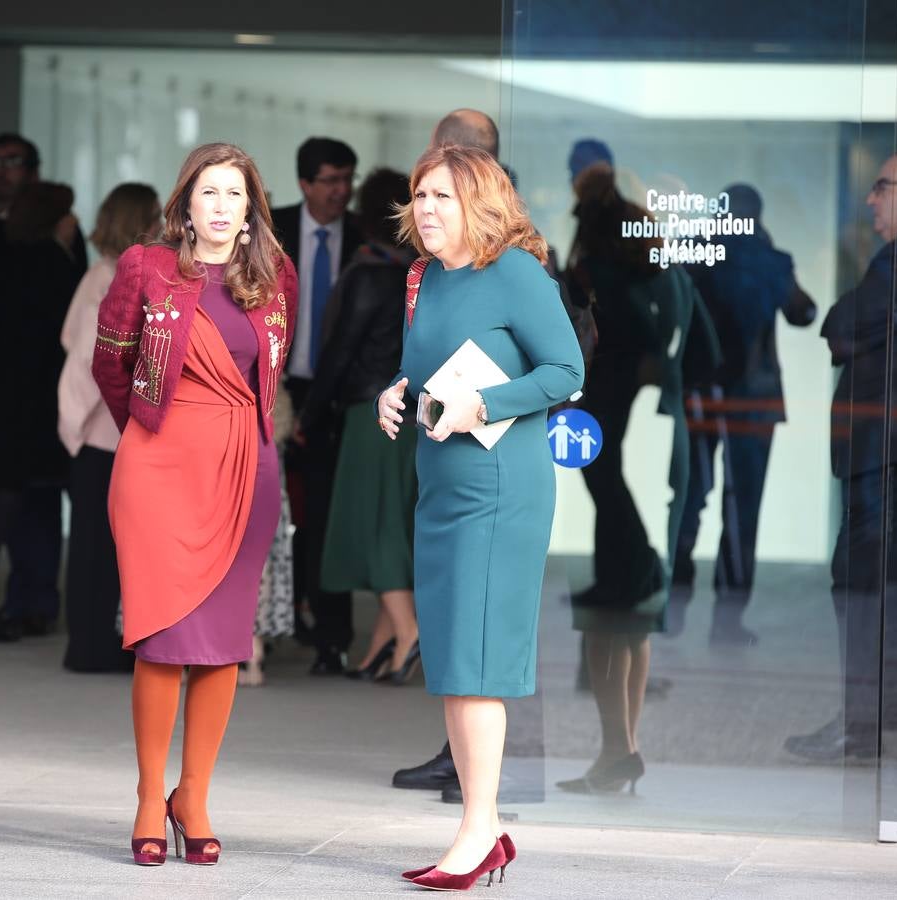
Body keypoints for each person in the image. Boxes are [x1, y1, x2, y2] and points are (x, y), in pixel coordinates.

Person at [375, 144, 583, 889]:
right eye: (420, 195)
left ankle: (478, 828)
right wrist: (393, 392)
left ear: (479, 204)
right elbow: (424, 361)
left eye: (443, 197)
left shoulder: (516, 273)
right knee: (457, 661)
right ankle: (480, 828)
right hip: (441, 481)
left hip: (499, 487)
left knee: (479, 665)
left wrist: (484, 405)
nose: (427, 209)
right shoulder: (423, 277)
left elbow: (566, 371)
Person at [93, 142, 298, 867]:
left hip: (247, 465)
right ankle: (152, 797)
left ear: (250, 211)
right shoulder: (144, 267)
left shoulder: (276, 277)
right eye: (206, 193)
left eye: (233, 196)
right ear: (184, 204)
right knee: (161, 635)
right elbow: (110, 363)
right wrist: (152, 436)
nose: (218, 207)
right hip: (156, 464)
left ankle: (195, 796)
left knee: (221, 645)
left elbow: (264, 375)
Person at [558, 141, 704, 797]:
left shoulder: (607, 273)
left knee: (609, 622)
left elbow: (615, 335)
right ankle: (621, 751)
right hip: (650, 420)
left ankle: (617, 753)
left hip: (611, 407)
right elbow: (694, 344)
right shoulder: (662, 272)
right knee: (627, 624)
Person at [785, 147, 897, 763]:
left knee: (864, 588)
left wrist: (858, 321)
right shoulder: (895, 262)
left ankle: (862, 725)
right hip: (887, 455)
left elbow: (838, 325)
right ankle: (885, 722)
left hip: (888, 457)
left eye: (883, 186)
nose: (871, 198)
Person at [673, 184, 817, 644]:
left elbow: (671, 308)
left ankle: (673, 601)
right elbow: (803, 312)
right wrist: (768, 252)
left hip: (702, 390)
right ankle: (727, 621)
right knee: (743, 505)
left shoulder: (697, 253)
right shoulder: (769, 260)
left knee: (689, 495)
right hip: (753, 398)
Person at [0, 134, 87, 642]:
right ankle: (4, 605)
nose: (2, 172)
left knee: (38, 499)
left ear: (32, 171)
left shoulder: (57, 229)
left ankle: (35, 603)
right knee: (6, 501)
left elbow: (75, 302)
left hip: (45, 388)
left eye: (14, 163)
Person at [302, 168, 421, 685]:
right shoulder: (420, 272)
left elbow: (340, 353)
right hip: (413, 412)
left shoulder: (369, 271)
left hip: (370, 413)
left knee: (376, 528)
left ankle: (408, 630)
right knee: (390, 519)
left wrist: (307, 414)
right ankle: (381, 643)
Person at [57, 182, 159, 673]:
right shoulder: (116, 277)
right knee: (106, 547)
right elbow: (87, 360)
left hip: (101, 435)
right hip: (107, 434)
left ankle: (92, 644)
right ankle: (97, 646)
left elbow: (71, 342)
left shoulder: (103, 274)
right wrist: (72, 429)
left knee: (95, 546)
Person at [270, 136, 363, 675]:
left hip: (337, 396)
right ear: (304, 183)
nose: (340, 191)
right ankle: (278, 620)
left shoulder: (366, 241)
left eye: (347, 179)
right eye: (329, 180)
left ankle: (332, 637)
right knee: (274, 512)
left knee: (329, 514)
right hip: (277, 388)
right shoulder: (271, 231)